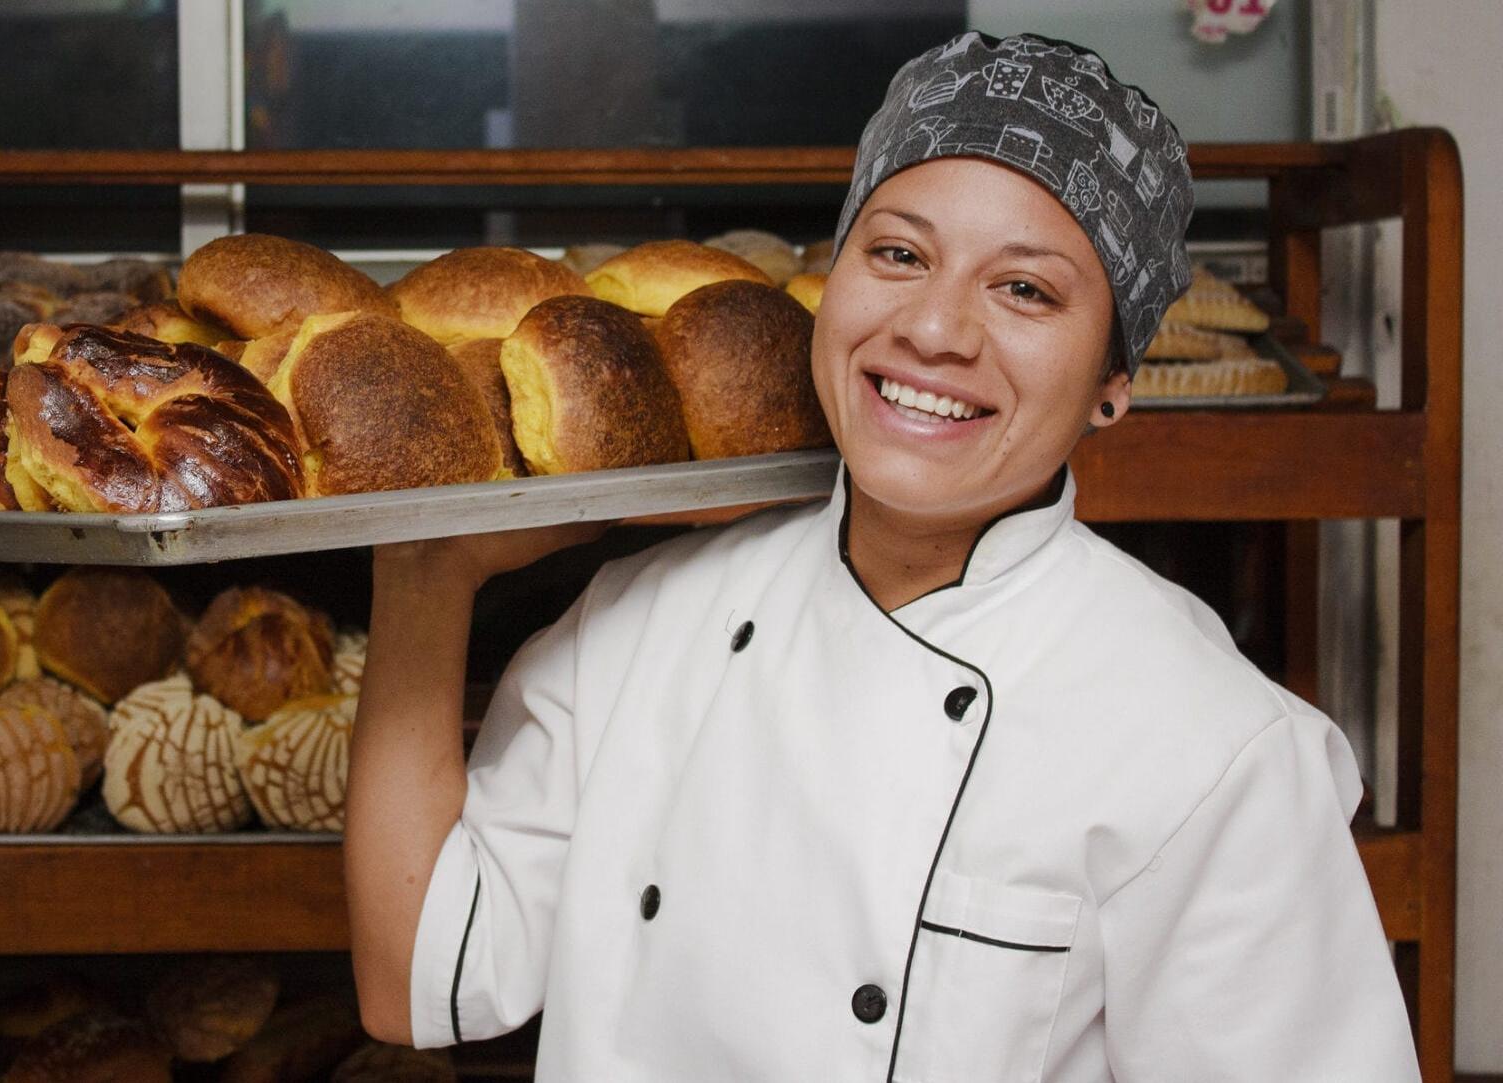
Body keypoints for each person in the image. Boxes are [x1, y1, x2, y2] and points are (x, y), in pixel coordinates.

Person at [344, 31, 1419, 1082]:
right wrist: (427, 572)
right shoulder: (639, 627)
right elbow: (419, 980)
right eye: (899, 254)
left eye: (1026, 290)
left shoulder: (1214, 749)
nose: (937, 330)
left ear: (1112, 385)